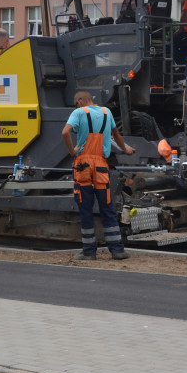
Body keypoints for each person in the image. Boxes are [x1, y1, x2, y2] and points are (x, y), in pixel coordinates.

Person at [61, 91, 135, 260]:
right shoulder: (106, 112)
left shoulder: (78, 112)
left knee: (86, 208)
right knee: (107, 207)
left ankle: (89, 252)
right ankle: (117, 250)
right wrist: (126, 149)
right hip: (101, 164)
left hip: (83, 165)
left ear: (79, 102)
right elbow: (116, 135)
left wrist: (72, 151)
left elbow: (65, 132)